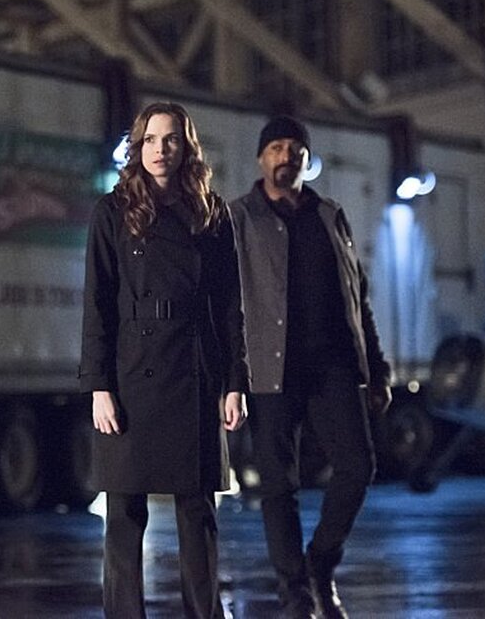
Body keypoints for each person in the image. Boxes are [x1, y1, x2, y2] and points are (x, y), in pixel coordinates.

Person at [79, 101, 250, 619]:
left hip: (193, 368)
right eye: (150, 140)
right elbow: (97, 302)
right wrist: (99, 385)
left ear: (186, 147)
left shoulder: (211, 212)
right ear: (138, 147)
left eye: (171, 139)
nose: (160, 149)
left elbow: (229, 304)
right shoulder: (112, 210)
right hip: (130, 372)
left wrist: (235, 381)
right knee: (124, 514)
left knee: (197, 513)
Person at [230, 115, 392, 619]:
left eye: (295, 149)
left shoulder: (329, 214)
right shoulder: (240, 218)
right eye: (276, 148)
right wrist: (230, 379)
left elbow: (357, 296)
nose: (287, 156)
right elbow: (225, 302)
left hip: (334, 365)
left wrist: (377, 367)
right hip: (269, 369)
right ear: (261, 158)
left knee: (358, 467)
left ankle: (320, 562)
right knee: (278, 485)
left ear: (306, 158)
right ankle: (295, 592)